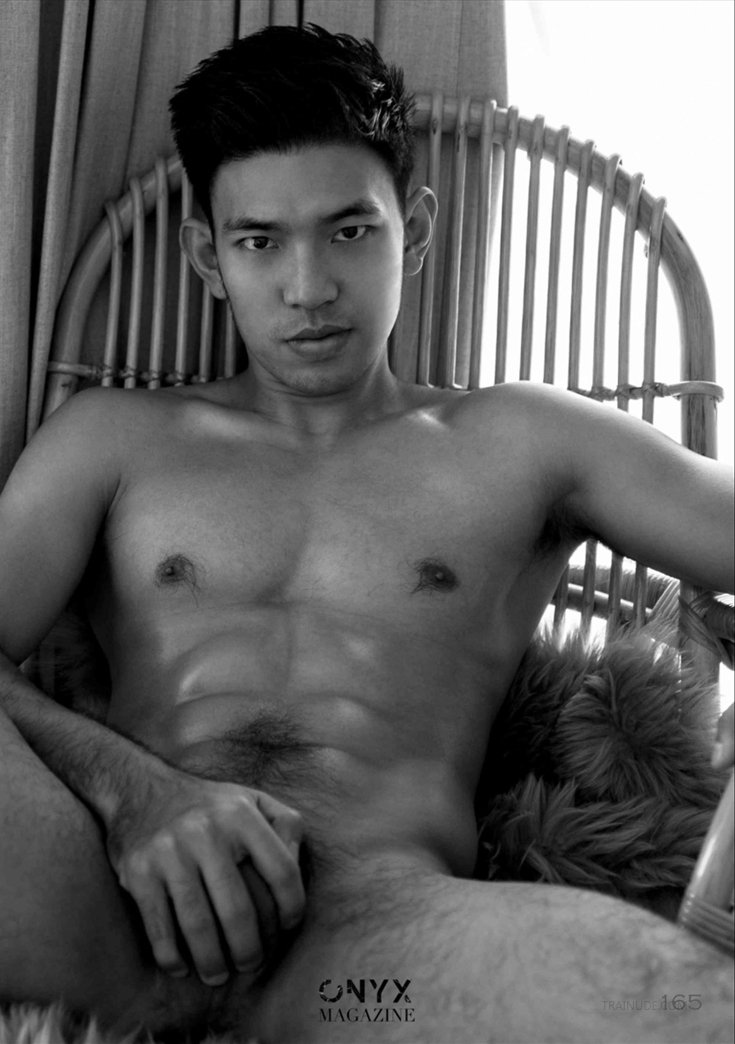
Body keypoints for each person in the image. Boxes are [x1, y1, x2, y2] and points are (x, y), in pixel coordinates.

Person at [0, 22, 733, 1044]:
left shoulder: (522, 441)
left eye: (349, 231)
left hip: (365, 956)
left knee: (685, 1006)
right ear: (208, 255)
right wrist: (135, 794)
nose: (308, 288)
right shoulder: (112, 438)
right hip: (96, 913)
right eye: (260, 241)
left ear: (413, 231)